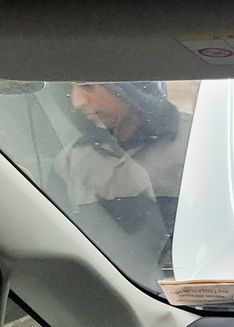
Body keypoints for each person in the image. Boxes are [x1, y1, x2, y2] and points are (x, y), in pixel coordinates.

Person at [51, 82, 191, 284]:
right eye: (70, 89)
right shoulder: (71, 161)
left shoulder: (197, 142)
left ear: (130, 86)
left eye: (88, 87)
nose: (77, 102)